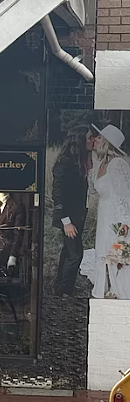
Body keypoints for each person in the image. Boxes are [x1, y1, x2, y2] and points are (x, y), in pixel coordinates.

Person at [81, 124, 130, 299]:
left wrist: (124, 227)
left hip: (115, 217)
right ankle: (104, 290)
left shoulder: (118, 164)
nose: (95, 139)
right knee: (102, 250)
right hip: (104, 214)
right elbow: (94, 192)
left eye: (99, 137)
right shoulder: (101, 163)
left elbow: (125, 198)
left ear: (107, 142)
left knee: (116, 252)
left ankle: (119, 292)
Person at [52, 125, 96, 295]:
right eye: (89, 137)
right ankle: (65, 290)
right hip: (68, 218)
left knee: (68, 251)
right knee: (76, 254)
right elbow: (58, 195)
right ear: (79, 141)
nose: (92, 140)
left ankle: (60, 287)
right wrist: (66, 222)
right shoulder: (65, 163)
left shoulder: (78, 160)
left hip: (76, 216)